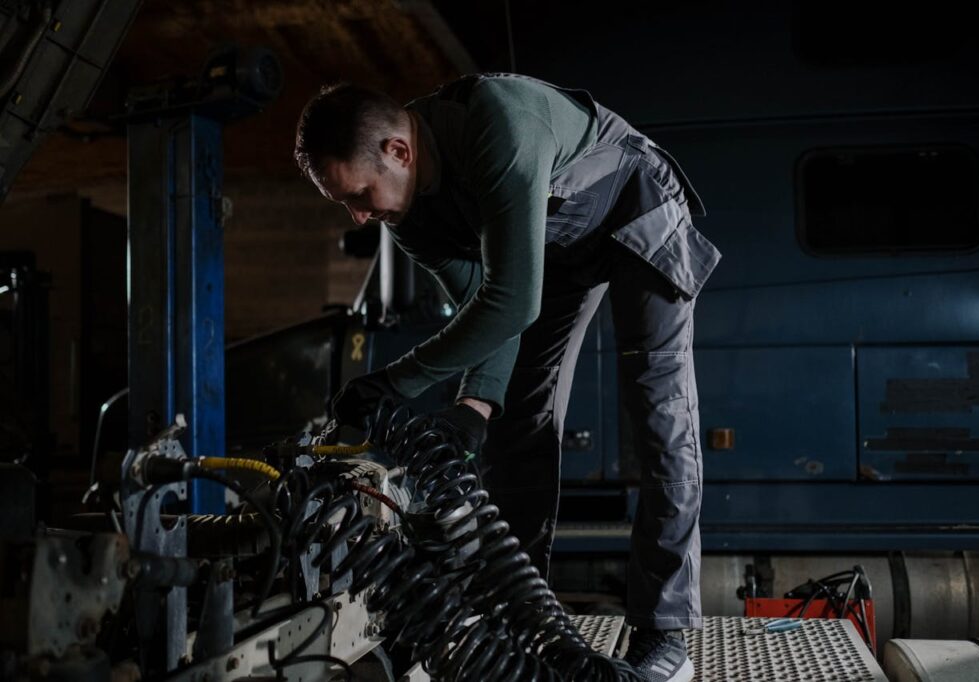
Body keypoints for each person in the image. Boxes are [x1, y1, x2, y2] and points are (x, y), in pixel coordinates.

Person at [294, 73, 720, 682]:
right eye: (346, 204)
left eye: (359, 195)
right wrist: (476, 405)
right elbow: (484, 306)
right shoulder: (408, 214)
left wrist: (395, 382)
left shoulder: (498, 127)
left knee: (658, 417)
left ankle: (665, 635)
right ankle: (523, 617)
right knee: (521, 420)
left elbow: (514, 301)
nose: (360, 216)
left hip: (634, 203)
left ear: (398, 151)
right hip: (558, 246)